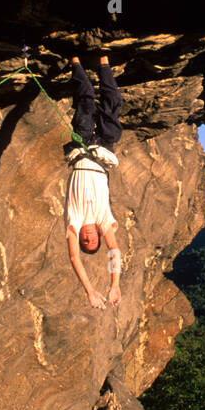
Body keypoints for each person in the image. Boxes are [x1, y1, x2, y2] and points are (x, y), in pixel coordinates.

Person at [64, 54, 125, 309]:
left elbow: (74, 258)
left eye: (85, 241)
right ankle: (104, 63)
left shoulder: (74, 221)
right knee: (113, 103)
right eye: (93, 240)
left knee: (86, 100)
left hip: (82, 145)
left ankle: (75, 62)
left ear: (80, 238)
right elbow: (115, 252)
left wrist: (89, 291)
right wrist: (115, 285)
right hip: (102, 151)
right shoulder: (103, 221)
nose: (89, 238)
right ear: (99, 235)